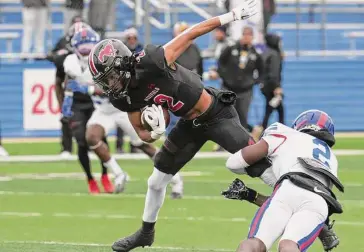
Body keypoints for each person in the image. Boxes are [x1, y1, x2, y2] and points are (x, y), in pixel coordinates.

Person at [87, 0, 272, 250]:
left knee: (260, 167)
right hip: (189, 125)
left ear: (123, 63)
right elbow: (142, 134)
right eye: (104, 79)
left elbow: (191, 32)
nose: (109, 84)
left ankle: (310, 209)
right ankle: (145, 233)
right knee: (155, 180)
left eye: (110, 76)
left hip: (216, 113)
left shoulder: (150, 61)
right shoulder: (123, 96)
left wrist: (231, 16)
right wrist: (154, 131)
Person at [224, 110, 344, 252]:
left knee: (255, 242)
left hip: (288, 189)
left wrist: (258, 169)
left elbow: (233, 163)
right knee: (289, 245)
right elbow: (305, 192)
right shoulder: (331, 158)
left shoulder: (285, 133)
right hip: (320, 203)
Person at [222, 178, 340, 252]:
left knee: (256, 242)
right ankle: (323, 227)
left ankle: (323, 227)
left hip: (295, 186)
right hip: (316, 195)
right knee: (288, 244)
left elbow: (238, 161)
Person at [62, 28, 114, 194]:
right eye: (82, 46)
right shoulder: (70, 61)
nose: (85, 50)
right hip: (78, 105)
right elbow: (68, 83)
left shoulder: (101, 60)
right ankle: (90, 178)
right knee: (82, 143)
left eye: (88, 46)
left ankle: (105, 175)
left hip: (95, 104)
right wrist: (66, 101)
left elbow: (106, 86)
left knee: (100, 139)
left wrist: (87, 89)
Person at [46, 20, 90, 157]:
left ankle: (93, 146)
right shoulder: (65, 59)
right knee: (66, 117)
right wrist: (61, 103)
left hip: (92, 94)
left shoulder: (96, 56)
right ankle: (67, 148)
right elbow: (58, 82)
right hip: (72, 95)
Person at [217, 26, 263, 130]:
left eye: (249, 35)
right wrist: (224, 76)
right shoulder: (231, 48)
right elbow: (220, 62)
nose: (246, 37)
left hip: (245, 91)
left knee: (242, 117)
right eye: (244, 34)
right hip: (228, 88)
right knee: (226, 116)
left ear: (252, 37)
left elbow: (262, 71)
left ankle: (241, 144)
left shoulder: (255, 54)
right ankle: (223, 144)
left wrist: (253, 82)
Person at [254, 33, 285, 140]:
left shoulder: (266, 53)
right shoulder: (274, 54)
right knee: (277, 109)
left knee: (272, 108)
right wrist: (277, 87)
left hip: (265, 86)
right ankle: (265, 129)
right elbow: (273, 73)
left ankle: (263, 129)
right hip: (271, 86)